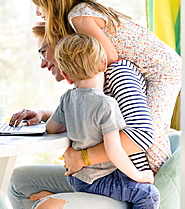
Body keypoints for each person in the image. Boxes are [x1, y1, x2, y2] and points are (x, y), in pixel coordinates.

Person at [35, 33, 159, 209]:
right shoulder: (106, 104)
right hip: (99, 179)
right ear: (103, 64)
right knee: (149, 195)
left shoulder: (67, 98)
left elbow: (52, 128)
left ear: (67, 76)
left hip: (76, 178)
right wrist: (140, 176)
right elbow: (114, 151)